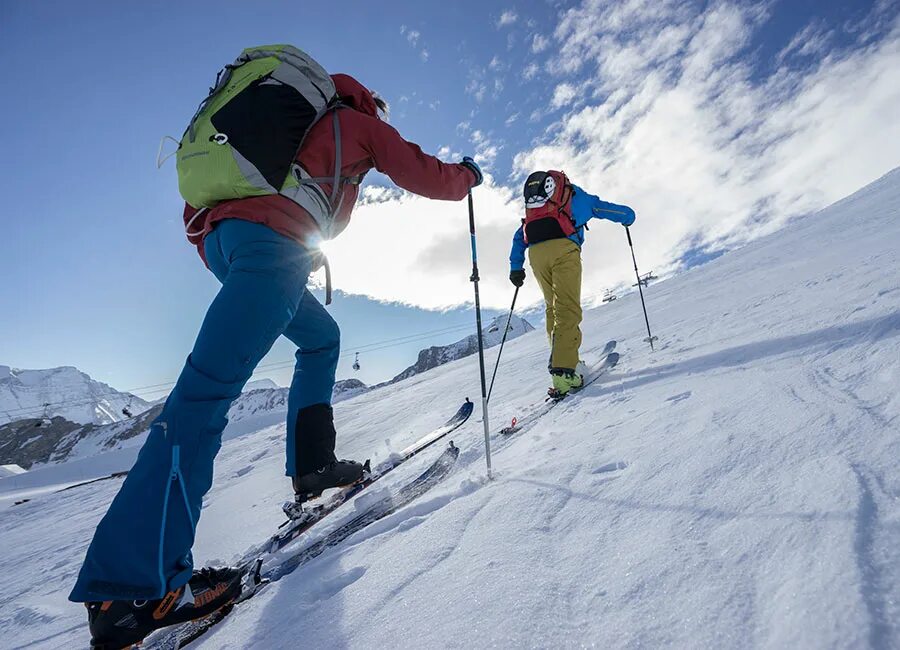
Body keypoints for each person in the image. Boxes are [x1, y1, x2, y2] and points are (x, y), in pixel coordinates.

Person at [69, 71, 482, 649]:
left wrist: (240, 239)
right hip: (272, 249)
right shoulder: (353, 123)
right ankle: (134, 588)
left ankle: (313, 466)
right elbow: (422, 171)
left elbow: (204, 206)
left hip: (231, 243)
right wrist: (467, 176)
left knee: (321, 338)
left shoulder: (274, 125)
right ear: (368, 104)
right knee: (204, 397)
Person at [508, 170, 634, 397]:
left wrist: (516, 267)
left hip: (536, 255)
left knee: (552, 309)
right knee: (567, 308)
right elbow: (602, 208)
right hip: (564, 251)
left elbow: (520, 235)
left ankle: (567, 363)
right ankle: (565, 373)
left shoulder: (536, 208)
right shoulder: (573, 196)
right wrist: (628, 216)